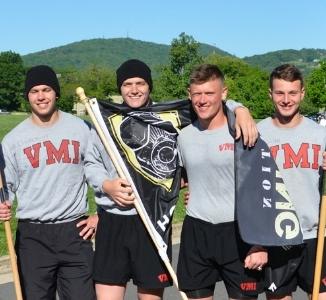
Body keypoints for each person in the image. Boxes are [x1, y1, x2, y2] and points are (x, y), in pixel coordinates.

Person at [93, 59, 258, 300]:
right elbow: (90, 163)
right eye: (127, 84)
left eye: (140, 83)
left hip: (156, 221)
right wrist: (105, 186)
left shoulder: (171, 118)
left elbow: (213, 101)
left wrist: (240, 109)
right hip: (119, 222)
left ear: (150, 86)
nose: (134, 89)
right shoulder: (103, 120)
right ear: (120, 88)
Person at [0, 65, 107, 300]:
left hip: (75, 231)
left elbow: (107, 173)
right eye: (34, 91)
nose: (41, 96)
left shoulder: (83, 129)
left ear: (57, 93)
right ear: (27, 96)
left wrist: (100, 214)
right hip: (33, 236)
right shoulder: (13, 140)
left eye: (46, 89)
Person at [255, 64, 326, 300]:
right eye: (280, 93)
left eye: (292, 93)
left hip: (314, 237)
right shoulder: (257, 134)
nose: (286, 100)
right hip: (275, 238)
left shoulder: (320, 134)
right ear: (270, 94)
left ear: (302, 93)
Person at [175, 64, 265, 300]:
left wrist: (261, 243)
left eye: (209, 93)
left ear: (224, 93)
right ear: (189, 94)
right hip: (197, 232)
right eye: (197, 94)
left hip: (238, 232)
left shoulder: (242, 131)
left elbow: (262, 189)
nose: (202, 100)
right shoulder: (184, 137)